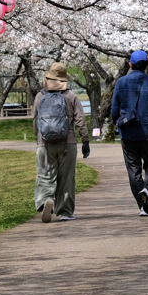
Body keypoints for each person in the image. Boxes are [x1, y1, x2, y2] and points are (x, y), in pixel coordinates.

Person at [110, 50, 148, 216]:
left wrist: (118, 124)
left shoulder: (121, 83)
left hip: (128, 134)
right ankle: (146, 190)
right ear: (147, 65)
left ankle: (142, 206)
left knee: (133, 170)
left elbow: (114, 111)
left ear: (130, 64)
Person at [32, 62, 89, 223]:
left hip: (45, 143)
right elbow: (80, 121)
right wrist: (85, 141)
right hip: (67, 143)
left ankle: (46, 200)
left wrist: (39, 139)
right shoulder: (71, 96)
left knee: (44, 176)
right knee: (66, 178)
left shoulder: (40, 96)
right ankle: (66, 212)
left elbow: (35, 121)